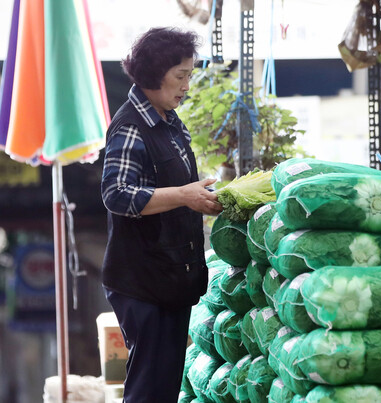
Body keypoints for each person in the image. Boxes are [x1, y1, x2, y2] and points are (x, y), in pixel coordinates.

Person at [100, 27, 222, 402]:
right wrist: (184, 195)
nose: (187, 84)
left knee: (164, 387)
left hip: (169, 278)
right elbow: (116, 194)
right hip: (142, 280)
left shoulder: (169, 121)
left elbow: (174, 188)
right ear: (155, 73)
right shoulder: (131, 126)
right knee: (148, 388)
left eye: (190, 75)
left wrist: (203, 196)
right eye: (181, 75)